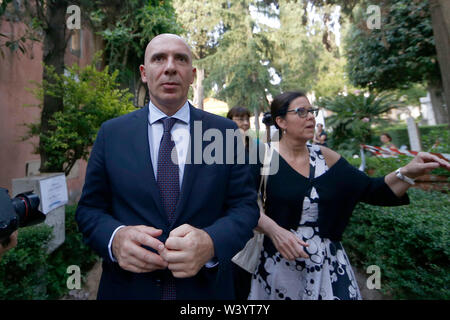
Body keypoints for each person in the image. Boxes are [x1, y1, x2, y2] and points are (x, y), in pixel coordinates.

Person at [75, 34, 259, 300]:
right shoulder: (112, 134)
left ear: (192, 74)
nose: (170, 67)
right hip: (127, 290)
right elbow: (89, 210)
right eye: (159, 58)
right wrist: (115, 239)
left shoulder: (224, 132)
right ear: (144, 73)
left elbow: (245, 208)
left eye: (180, 59)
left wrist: (210, 243)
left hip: (206, 293)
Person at [247, 91, 450, 300]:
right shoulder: (262, 158)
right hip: (280, 267)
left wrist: (407, 172)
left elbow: (372, 189)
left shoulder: (325, 156)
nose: (310, 117)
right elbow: (241, 205)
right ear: (281, 121)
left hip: (330, 266)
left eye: (311, 111)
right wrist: (275, 231)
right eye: (301, 112)